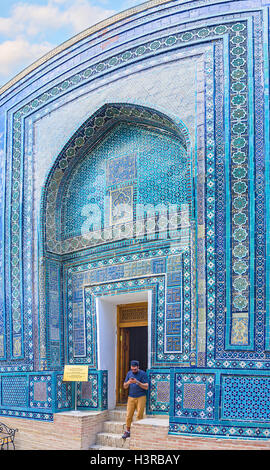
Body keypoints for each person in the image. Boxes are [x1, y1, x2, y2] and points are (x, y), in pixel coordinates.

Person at [122, 360, 149, 439]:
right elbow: (124, 386)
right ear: (131, 367)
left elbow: (146, 386)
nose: (133, 371)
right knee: (128, 415)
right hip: (131, 397)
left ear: (138, 367)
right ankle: (128, 431)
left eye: (135, 369)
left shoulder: (143, 374)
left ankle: (137, 432)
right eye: (132, 369)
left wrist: (137, 382)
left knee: (139, 415)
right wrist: (128, 382)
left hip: (141, 397)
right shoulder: (129, 373)